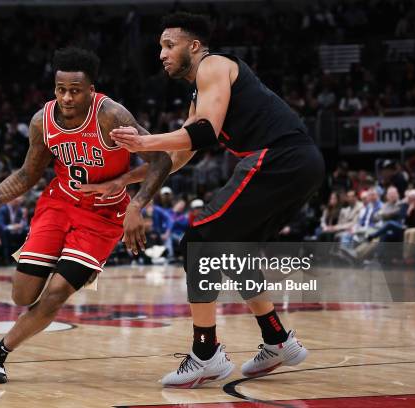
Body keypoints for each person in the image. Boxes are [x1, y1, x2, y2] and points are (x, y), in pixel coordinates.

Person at [81, 12, 324, 387]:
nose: (161, 54)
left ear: (193, 46)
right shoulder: (201, 92)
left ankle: (206, 353)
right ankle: (278, 339)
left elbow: (205, 132)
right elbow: (180, 155)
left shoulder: (213, 65)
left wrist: (145, 141)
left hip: (280, 157)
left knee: (198, 241)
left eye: (169, 45)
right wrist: (124, 180)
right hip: (300, 164)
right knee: (233, 251)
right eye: (159, 46)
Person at [0, 47, 172, 384]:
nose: (66, 97)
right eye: (60, 89)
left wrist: (136, 203)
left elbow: (162, 159)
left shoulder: (111, 115)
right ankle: (52, 257)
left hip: (104, 216)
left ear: (91, 90)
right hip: (58, 204)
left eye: (75, 91)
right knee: (22, 295)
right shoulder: (43, 121)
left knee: (56, 293)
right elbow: (26, 175)